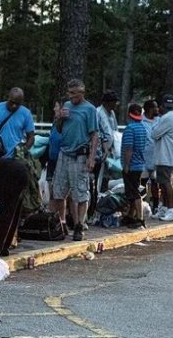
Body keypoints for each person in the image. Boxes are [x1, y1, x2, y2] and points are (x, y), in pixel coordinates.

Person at [50, 79, 99, 241]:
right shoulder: (67, 106)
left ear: (81, 93)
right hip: (65, 152)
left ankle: (79, 224)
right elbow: (58, 129)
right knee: (59, 190)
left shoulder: (90, 110)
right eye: (69, 93)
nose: (70, 97)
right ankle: (62, 222)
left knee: (80, 192)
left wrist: (91, 157)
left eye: (74, 94)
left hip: (80, 154)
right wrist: (59, 118)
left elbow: (94, 135)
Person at [150, 94, 173, 222]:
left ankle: (172, 210)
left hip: (166, 156)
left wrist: (156, 123)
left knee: (166, 183)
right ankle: (164, 207)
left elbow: (154, 133)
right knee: (162, 183)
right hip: (167, 155)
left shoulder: (167, 118)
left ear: (163, 106)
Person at [0, 87, 35, 160]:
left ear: (21, 102)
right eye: (12, 102)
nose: (14, 106)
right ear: (8, 98)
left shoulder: (26, 113)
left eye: (17, 104)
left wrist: (23, 150)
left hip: (14, 158)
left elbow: (31, 137)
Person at [90, 90, 119, 216]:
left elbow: (114, 130)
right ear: (108, 102)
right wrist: (104, 147)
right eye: (114, 102)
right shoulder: (98, 113)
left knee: (107, 181)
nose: (116, 104)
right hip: (100, 152)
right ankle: (94, 207)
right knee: (97, 181)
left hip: (110, 152)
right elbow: (99, 133)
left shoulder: (111, 113)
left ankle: (104, 205)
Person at [121, 103, 147, 228]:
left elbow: (128, 149)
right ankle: (131, 215)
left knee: (134, 192)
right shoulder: (142, 128)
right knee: (132, 192)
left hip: (132, 165)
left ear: (129, 114)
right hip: (140, 164)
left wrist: (126, 165)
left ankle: (139, 218)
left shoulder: (129, 129)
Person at [141, 99, 160, 212]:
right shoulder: (142, 122)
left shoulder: (160, 121)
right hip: (144, 158)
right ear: (149, 109)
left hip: (156, 157)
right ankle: (142, 205)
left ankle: (156, 206)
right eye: (155, 107)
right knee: (142, 183)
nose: (157, 109)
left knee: (155, 182)